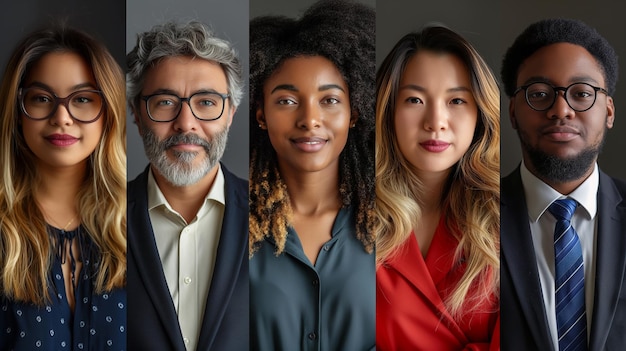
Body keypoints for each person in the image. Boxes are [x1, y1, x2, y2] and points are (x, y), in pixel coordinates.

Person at [248, 0, 376, 349]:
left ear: (354, 112)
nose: (310, 119)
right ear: (261, 114)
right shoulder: (229, 228)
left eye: (330, 100)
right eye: (287, 101)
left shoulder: (393, 223)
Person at [500, 18, 625, 351]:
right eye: (539, 94)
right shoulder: (468, 213)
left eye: (582, 93)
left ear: (609, 111)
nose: (561, 110)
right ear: (513, 111)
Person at [0, 25, 126, 350]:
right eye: (41, 98)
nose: (61, 117)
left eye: (82, 99)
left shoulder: (140, 225)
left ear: (108, 113)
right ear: (17, 113)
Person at [375, 26, 500, 350]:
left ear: (480, 114)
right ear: (388, 111)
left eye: (456, 100)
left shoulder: (509, 216)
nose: (436, 121)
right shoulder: (349, 214)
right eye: (415, 99)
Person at [126, 21, 248, 351]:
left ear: (231, 113)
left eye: (206, 102)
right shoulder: (100, 217)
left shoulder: (275, 215)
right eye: (165, 102)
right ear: (137, 114)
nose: (186, 123)